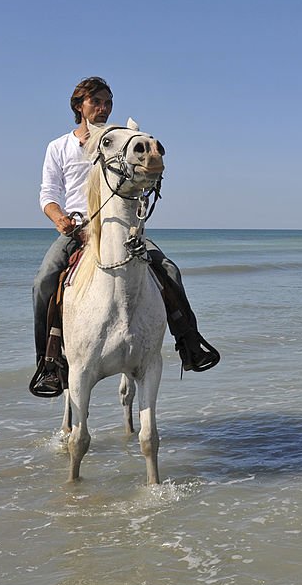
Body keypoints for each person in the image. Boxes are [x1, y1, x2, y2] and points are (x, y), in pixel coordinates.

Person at [31, 77, 219, 396]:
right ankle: (49, 362)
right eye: (96, 102)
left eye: (108, 102)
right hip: (80, 227)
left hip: (121, 225)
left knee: (169, 270)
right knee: (44, 282)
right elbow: (48, 193)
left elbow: (139, 174)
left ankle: (189, 343)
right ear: (80, 106)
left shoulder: (120, 140)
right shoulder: (58, 147)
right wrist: (59, 218)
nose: (103, 108)